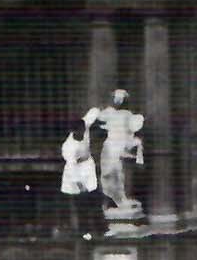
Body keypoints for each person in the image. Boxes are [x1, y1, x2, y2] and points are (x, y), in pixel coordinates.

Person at [84, 90, 145, 218]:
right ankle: (112, 199)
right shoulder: (109, 112)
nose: (118, 101)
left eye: (120, 99)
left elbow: (134, 126)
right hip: (111, 146)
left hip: (122, 146)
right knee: (108, 173)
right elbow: (94, 118)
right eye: (116, 98)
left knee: (121, 173)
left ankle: (123, 199)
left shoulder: (127, 114)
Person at [61, 118, 98, 196]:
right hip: (75, 175)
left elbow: (91, 115)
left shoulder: (85, 130)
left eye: (84, 129)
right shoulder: (69, 147)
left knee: (92, 192)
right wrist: (80, 185)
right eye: (81, 130)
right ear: (74, 131)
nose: (83, 132)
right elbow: (72, 168)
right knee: (78, 198)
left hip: (87, 168)